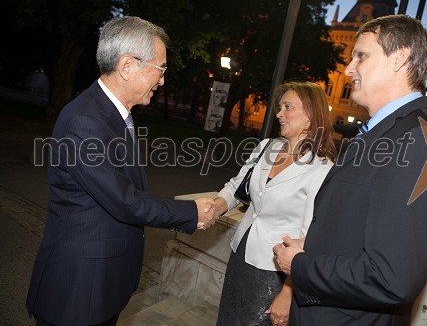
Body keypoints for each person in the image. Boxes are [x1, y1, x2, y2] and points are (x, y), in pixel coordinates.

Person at [26, 16, 217, 326]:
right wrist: (191, 212)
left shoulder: (113, 115)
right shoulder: (85, 122)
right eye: (160, 69)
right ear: (128, 66)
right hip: (77, 292)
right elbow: (126, 200)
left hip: (101, 286)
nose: (163, 80)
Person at [273, 15, 427, 326]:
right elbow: (361, 228)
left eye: (361, 55)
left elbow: (392, 277)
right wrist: (314, 248)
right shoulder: (378, 134)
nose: (348, 69)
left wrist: (301, 265)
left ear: (399, 59)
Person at [213, 81, 336, 325]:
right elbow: (237, 187)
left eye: (288, 107)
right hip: (240, 255)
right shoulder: (265, 147)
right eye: (280, 107)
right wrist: (216, 205)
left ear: (311, 114)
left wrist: (288, 293)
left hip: (275, 272)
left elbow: (309, 237)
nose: (279, 113)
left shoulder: (322, 169)